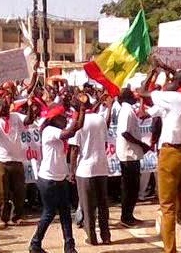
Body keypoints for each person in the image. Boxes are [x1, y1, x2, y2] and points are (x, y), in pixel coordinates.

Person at [141, 68, 181, 253]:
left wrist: (152, 72)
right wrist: (171, 72)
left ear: (176, 84)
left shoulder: (172, 98)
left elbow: (143, 90)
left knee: (168, 207)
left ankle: (170, 250)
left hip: (171, 154)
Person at [29, 103, 84, 253]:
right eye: (63, 117)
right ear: (55, 118)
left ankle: (69, 246)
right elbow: (71, 132)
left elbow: (77, 127)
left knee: (66, 213)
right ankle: (35, 244)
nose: (65, 119)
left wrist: (82, 109)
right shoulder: (49, 130)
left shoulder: (56, 129)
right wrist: (78, 114)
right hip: (49, 180)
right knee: (49, 212)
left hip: (59, 178)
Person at [0, 89, 35, 230]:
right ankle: (3, 218)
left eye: (7, 100)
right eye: (3, 99)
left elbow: (29, 120)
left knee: (19, 190)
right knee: (2, 192)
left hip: (16, 159)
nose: (7, 102)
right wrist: (0, 110)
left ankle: (17, 216)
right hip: (0, 160)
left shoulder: (16, 116)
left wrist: (30, 106)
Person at [69, 95, 110, 246]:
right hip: (101, 166)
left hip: (85, 169)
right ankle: (106, 236)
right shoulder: (100, 119)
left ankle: (91, 237)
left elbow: (74, 149)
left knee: (88, 206)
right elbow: (105, 143)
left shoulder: (78, 122)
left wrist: (72, 171)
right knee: (102, 205)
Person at [116, 87, 151, 227]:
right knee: (130, 187)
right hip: (129, 155)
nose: (135, 96)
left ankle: (129, 215)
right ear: (127, 97)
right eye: (132, 94)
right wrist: (141, 144)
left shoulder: (127, 109)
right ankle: (126, 217)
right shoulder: (126, 111)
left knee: (132, 187)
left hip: (131, 154)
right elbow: (125, 132)